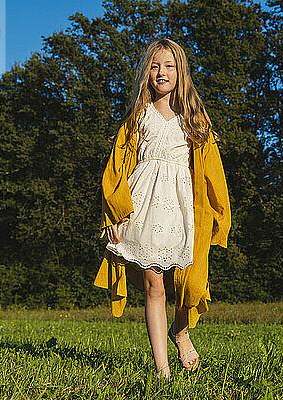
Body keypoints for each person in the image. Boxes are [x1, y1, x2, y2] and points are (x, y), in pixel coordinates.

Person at [94, 38, 231, 381]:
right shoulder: (137, 117)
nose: (161, 72)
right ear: (146, 73)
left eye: (169, 65)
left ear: (180, 71)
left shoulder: (194, 118)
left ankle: (180, 331)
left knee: (192, 284)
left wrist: (218, 212)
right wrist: (114, 214)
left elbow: (213, 171)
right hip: (142, 209)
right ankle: (162, 372)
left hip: (185, 211)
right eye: (154, 66)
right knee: (155, 288)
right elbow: (116, 170)